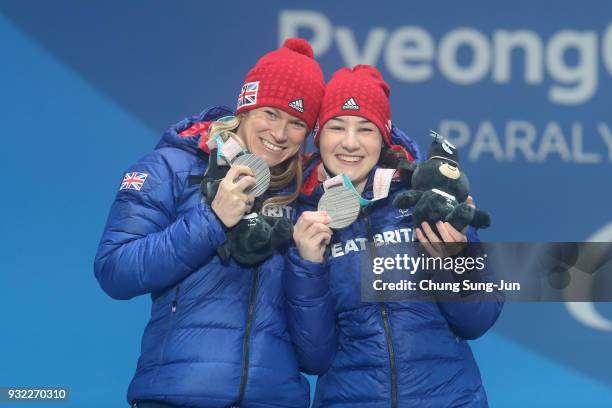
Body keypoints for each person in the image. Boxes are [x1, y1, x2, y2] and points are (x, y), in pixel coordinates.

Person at [94, 38, 324, 408]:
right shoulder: (172, 166)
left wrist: (310, 265)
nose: (280, 134)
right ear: (245, 108)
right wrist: (212, 219)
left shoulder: (303, 195)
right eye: (270, 113)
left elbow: (316, 353)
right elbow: (114, 270)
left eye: (297, 123)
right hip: (177, 396)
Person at [284, 65, 504, 407]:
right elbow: (314, 357)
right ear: (318, 136)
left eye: (366, 129)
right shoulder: (302, 214)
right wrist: (308, 266)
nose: (350, 143)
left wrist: (451, 263)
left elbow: (478, 320)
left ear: (384, 137)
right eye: (337, 127)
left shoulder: (430, 196)